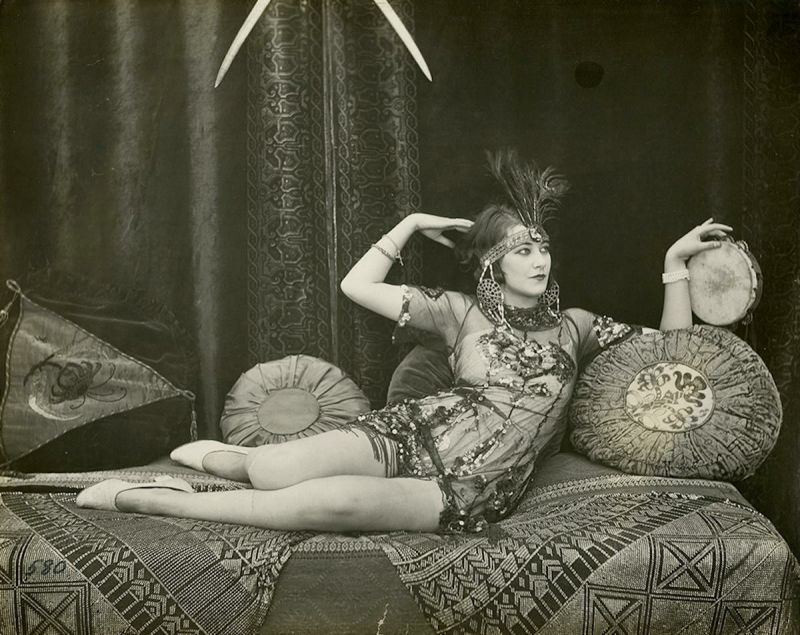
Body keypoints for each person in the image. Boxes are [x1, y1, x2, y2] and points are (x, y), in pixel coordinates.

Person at [76, 150, 731, 534]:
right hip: (409, 433)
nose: (538, 259)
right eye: (520, 250)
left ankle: (154, 499)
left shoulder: (576, 326)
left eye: (542, 247)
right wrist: (411, 223)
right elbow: (355, 285)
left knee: (331, 504)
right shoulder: (457, 313)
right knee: (271, 469)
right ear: (491, 264)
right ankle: (233, 460)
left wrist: (673, 266)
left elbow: (672, 359)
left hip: (473, 486)